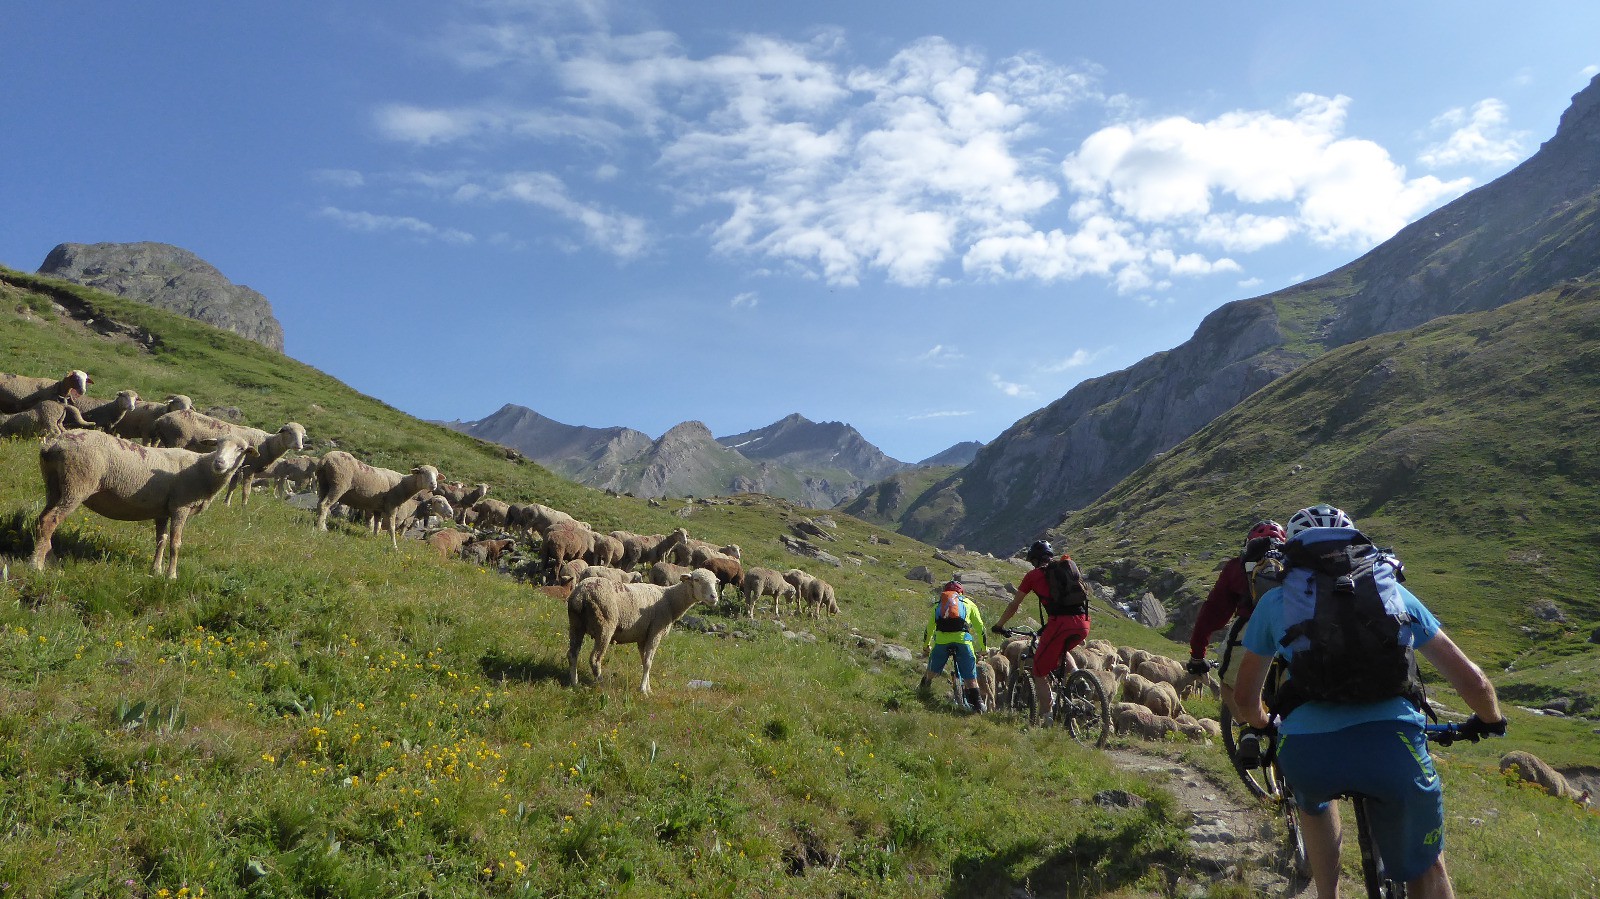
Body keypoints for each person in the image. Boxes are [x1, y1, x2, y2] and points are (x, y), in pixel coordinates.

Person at [1235, 504, 1506, 899]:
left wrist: (1263, 723)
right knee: (1428, 867)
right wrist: (1490, 720)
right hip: (1393, 747)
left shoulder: (1274, 603)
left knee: (1314, 803)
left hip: (1310, 753)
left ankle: (1328, 894)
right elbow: (1474, 681)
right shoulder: (1391, 589)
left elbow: (1245, 700)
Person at [1187, 520, 1286, 718]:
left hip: (1250, 629)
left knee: (1228, 685)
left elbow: (1213, 613)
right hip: (1293, 630)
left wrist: (1198, 654)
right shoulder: (1297, 563)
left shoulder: (1238, 566)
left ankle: (1249, 732)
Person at [990, 540, 1090, 723]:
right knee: (1061, 650)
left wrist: (999, 625)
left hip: (1060, 623)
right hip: (1083, 623)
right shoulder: (1066, 569)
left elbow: (1014, 605)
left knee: (1039, 672)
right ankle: (1078, 677)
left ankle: (1047, 716)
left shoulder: (1033, 576)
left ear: (1034, 560)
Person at [920, 580, 989, 711]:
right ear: (961, 592)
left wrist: (926, 645)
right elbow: (981, 628)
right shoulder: (969, 604)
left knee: (931, 670)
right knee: (970, 678)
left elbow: (929, 629)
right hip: (963, 641)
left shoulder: (938, 605)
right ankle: (979, 705)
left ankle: (924, 689)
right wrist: (983, 649)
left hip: (941, 642)